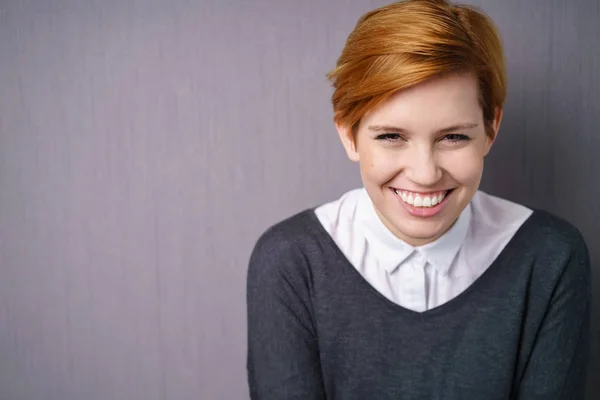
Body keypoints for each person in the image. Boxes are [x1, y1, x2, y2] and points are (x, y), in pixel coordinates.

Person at [246, 0, 592, 398]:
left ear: (491, 129)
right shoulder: (291, 261)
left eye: (454, 137)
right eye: (391, 136)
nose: (425, 173)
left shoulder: (550, 257)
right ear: (348, 133)